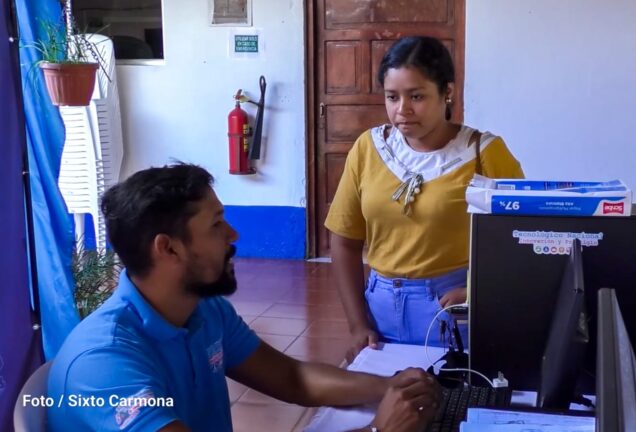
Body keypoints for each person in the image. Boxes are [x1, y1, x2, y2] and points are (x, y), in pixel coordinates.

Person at [47, 163, 440, 432]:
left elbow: (293, 377)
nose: (233, 235)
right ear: (168, 249)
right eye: (217, 224)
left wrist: (391, 388)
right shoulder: (105, 363)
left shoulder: (203, 310)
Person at [325, 36, 525, 361]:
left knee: (454, 403)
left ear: (447, 92)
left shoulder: (483, 153)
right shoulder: (369, 148)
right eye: (392, 97)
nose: (402, 110)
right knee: (388, 406)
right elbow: (345, 239)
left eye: (416, 96)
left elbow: (517, 239)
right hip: (380, 309)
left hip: (453, 308)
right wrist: (357, 323)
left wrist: (478, 291)